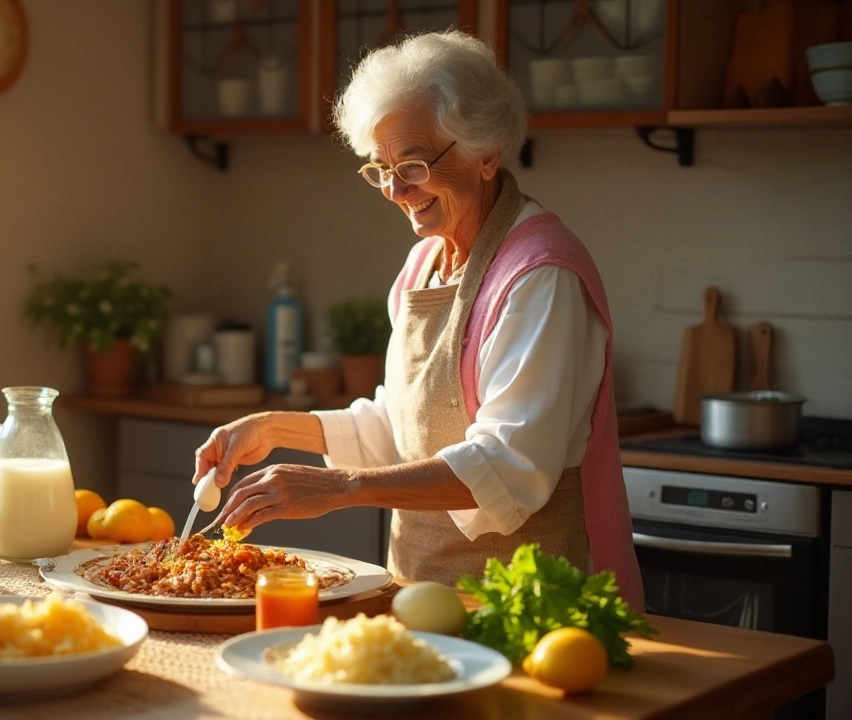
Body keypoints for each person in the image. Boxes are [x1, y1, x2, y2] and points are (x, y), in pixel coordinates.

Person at [193, 30, 642, 606]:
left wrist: (340, 488)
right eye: (378, 168)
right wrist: (275, 428)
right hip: (423, 592)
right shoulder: (426, 262)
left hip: (528, 602)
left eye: (411, 164)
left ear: (486, 153)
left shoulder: (538, 274)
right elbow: (402, 427)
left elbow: (510, 467)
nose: (393, 190)